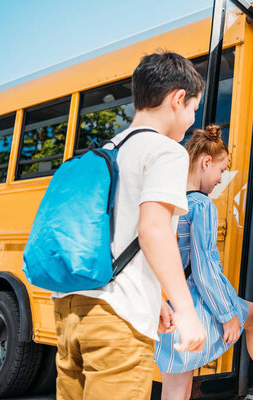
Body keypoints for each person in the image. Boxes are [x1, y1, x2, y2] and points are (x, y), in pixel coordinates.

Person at [52, 52, 207, 399]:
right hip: (116, 322)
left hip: (70, 310)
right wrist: (185, 309)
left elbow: (119, 234)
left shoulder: (107, 150)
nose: (193, 119)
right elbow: (153, 230)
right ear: (177, 99)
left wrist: (158, 299)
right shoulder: (168, 151)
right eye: (193, 108)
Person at [155, 125, 253, 400]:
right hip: (193, 305)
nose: (221, 180)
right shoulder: (202, 205)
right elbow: (204, 268)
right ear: (205, 162)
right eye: (221, 170)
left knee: (176, 387)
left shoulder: (167, 201)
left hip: (166, 305)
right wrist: (227, 314)